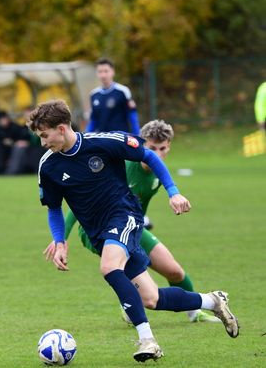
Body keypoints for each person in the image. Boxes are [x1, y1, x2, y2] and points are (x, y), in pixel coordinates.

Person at [29, 100, 239, 362]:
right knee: (152, 299)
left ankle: (147, 340)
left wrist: (173, 192)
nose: (42, 143)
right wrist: (59, 241)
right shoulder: (48, 165)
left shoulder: (104, 142)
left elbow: (148, 155)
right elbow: (54, 208)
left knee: (109, 267)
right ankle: (212, 301)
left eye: (44, 135)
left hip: (124, 215)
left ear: (61, 128)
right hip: (97, 232)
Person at [57, 119, 219, 323]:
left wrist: (171, 196)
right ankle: (131, 304)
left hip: (132, 227)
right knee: (129, 277)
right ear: (142, 144)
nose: (158, 154)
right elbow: (78, 206)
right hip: (97, 230)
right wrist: (61, 239)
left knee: (175, 272)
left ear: (169, 147)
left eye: (162, 148)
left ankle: (194, 313)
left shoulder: (158, 172)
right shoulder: (124, 167)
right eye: (152, 148)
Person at [86, 58, 140, 135]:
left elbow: (132, 117)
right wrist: (85, 135)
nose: (103, 75)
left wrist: (138, 136)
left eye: (106, 71)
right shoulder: (94, 94)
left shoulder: (123, 91)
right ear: (96, 73)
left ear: (112, 72)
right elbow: (93, 120)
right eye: (100, 72)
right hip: (102, 138)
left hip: (120, 138)